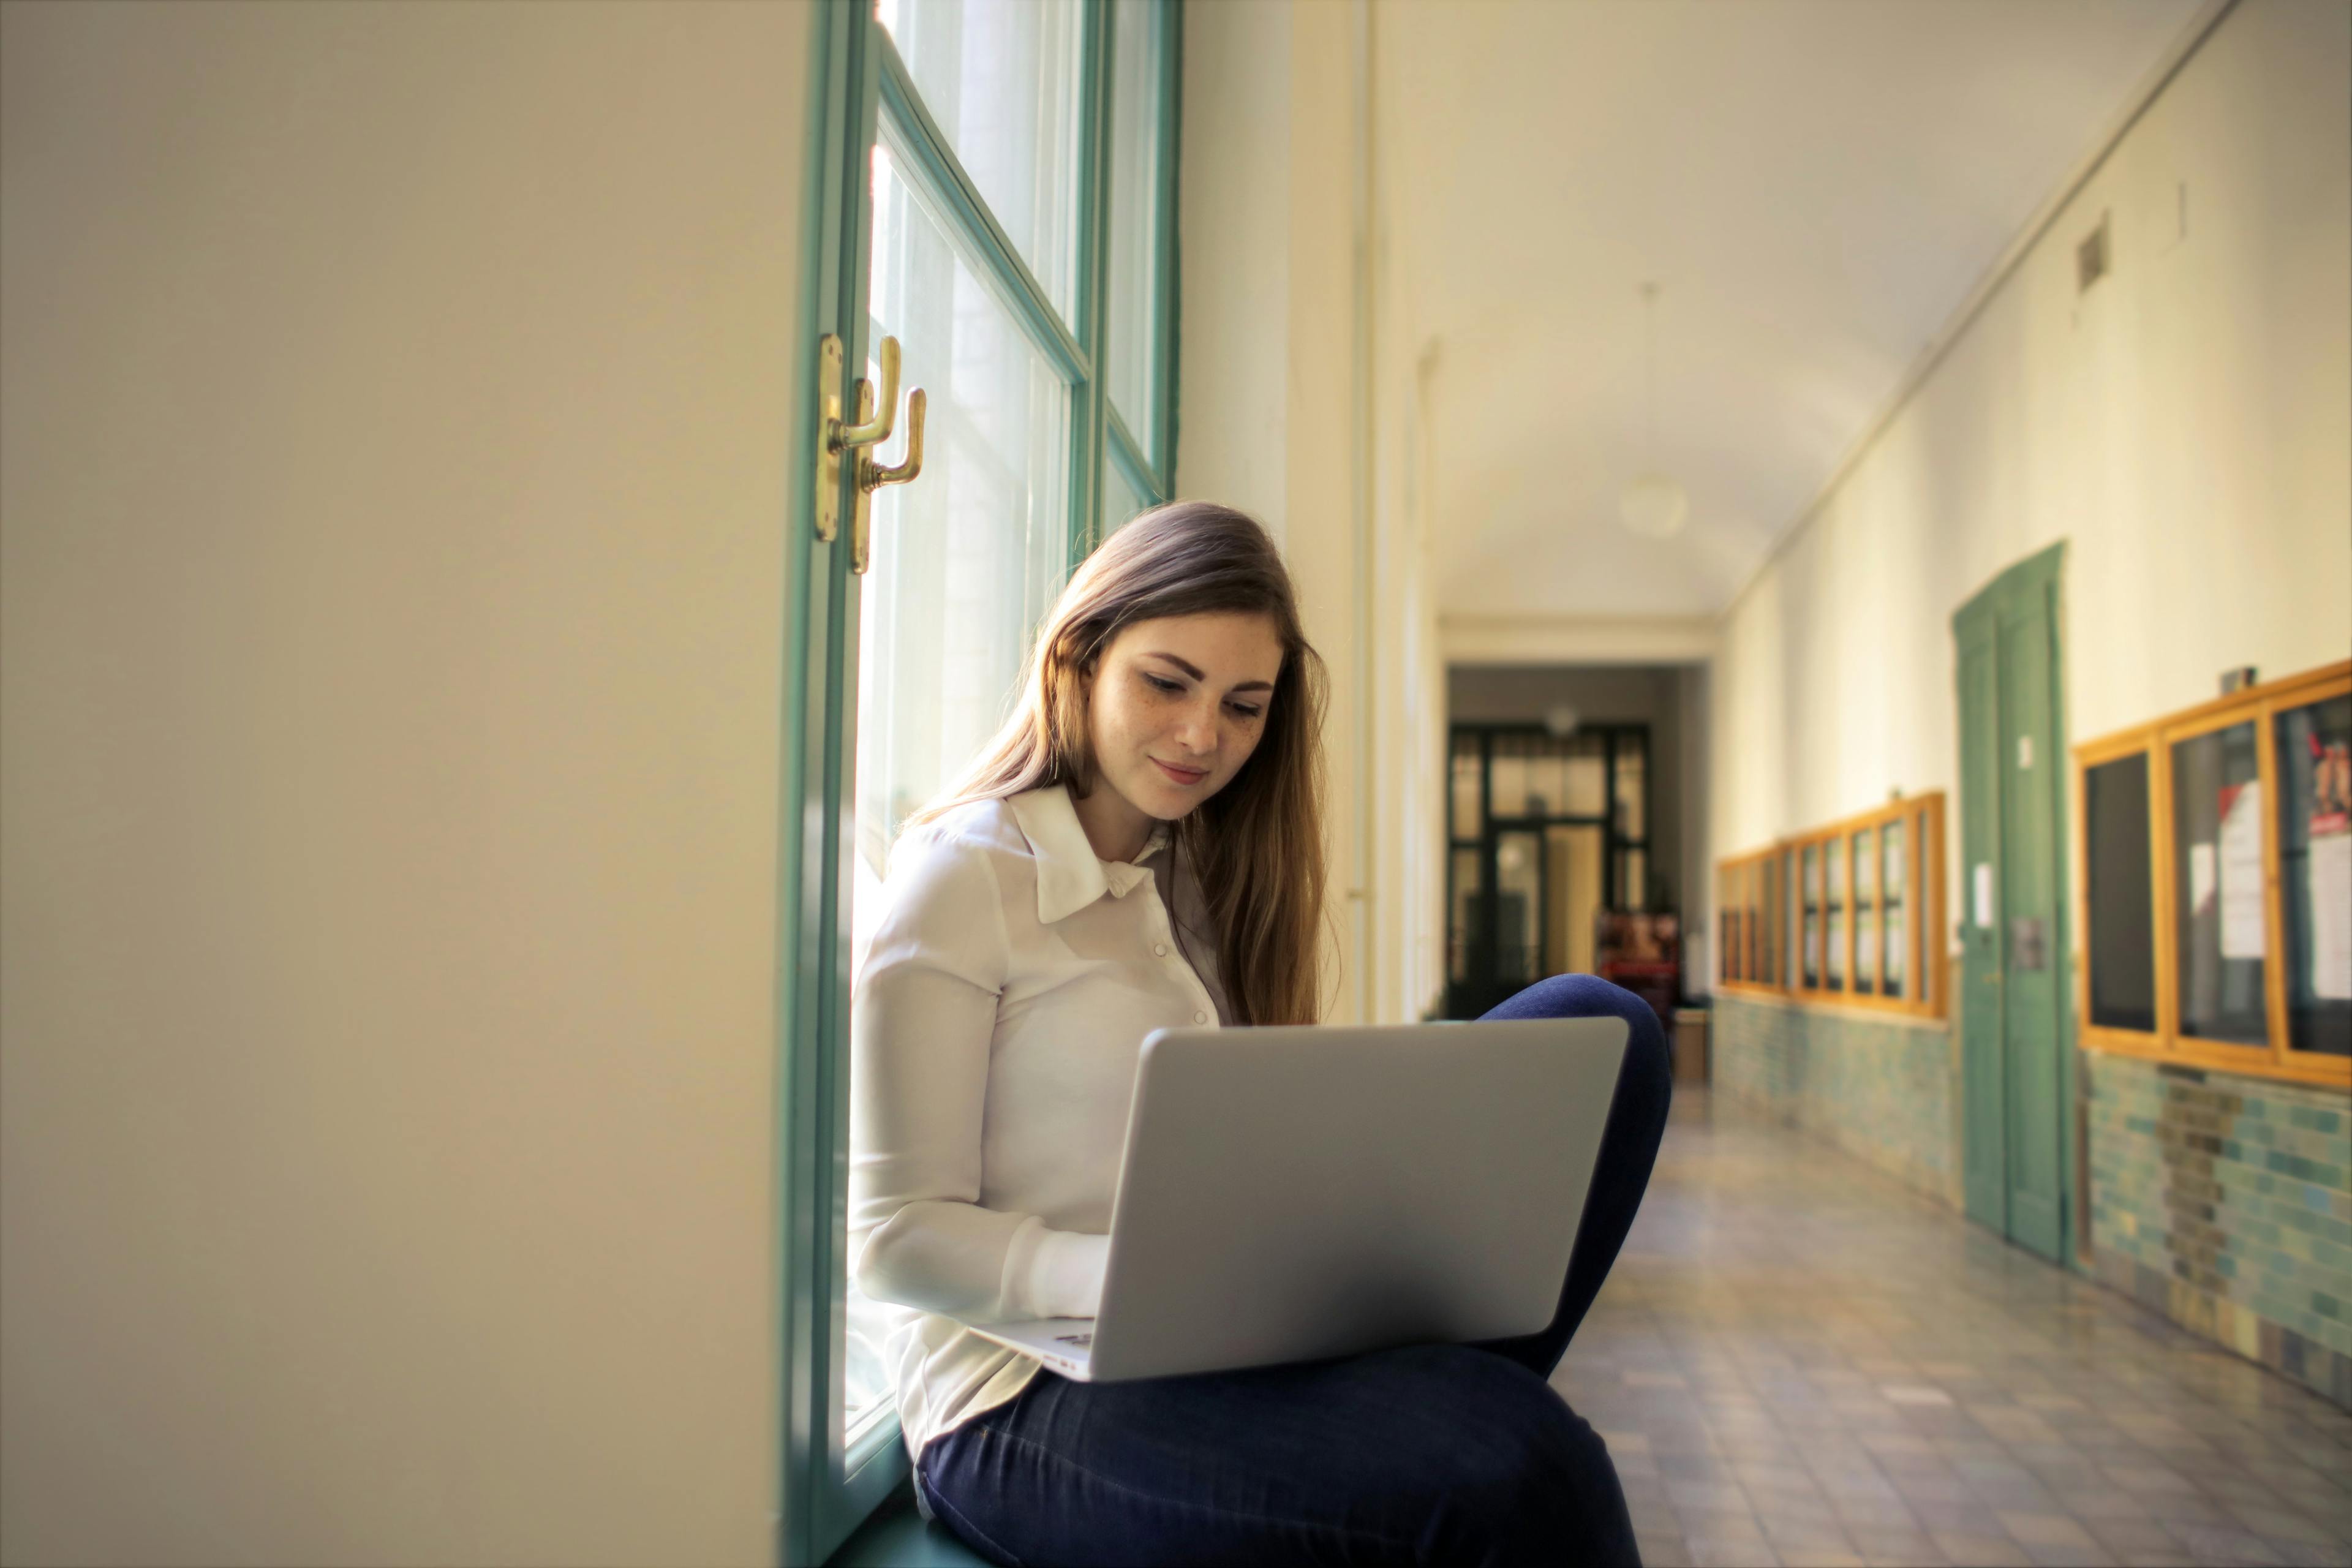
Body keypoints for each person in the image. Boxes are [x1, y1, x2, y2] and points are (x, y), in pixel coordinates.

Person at [850, 501, 1672, 1567]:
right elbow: (893, 1239)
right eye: (1167, 681)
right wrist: (1140, 1281)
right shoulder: (964, 873)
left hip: (1223, 1338)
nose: (1206, 737)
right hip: (1019, 1403)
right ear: (1078, 661)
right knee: (1514, 1455)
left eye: (1245, 705)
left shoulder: (1201, 877)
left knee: (1608, 1029)